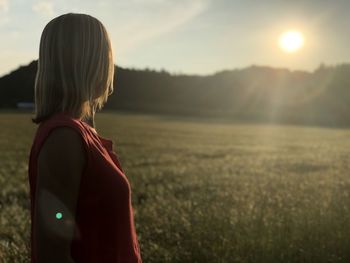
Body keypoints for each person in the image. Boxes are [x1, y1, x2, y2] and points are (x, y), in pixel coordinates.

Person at [28, 13, 142, 262]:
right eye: (105, 54)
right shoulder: (64, 138)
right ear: (89, 60)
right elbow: (52, 254)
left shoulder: (79, 132)